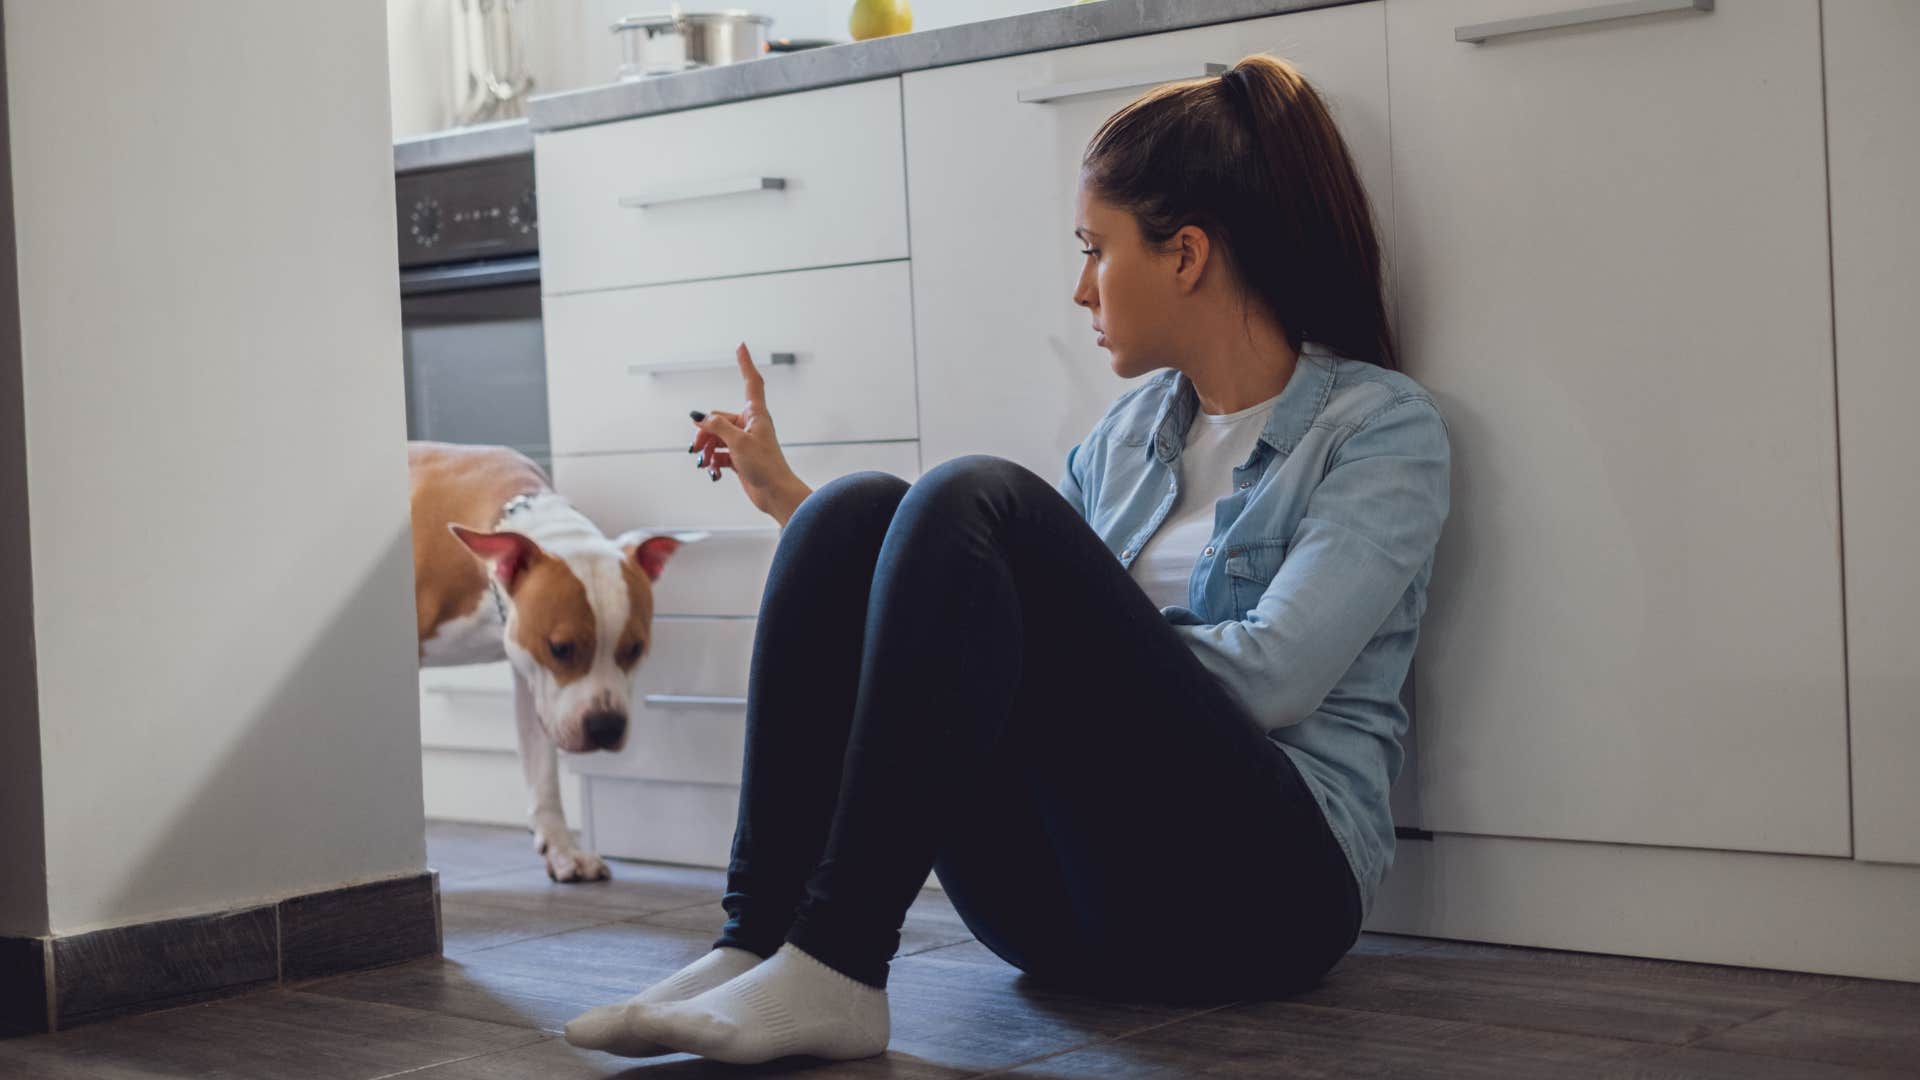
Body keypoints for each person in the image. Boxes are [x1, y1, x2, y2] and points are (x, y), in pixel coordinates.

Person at [564, 54, 1450, 1065]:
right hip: (1060, 915)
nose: (1080, 288)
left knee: (973, 496)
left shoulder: (1378, 430)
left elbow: (1277, 674)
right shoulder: (1124, 441)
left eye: (1095, 248)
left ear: (1186, 256)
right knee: (852, 515)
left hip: (1261, 902)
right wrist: (793, 506)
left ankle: (838, 961)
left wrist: (1062, 646)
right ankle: (758, 942)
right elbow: (979, 616)